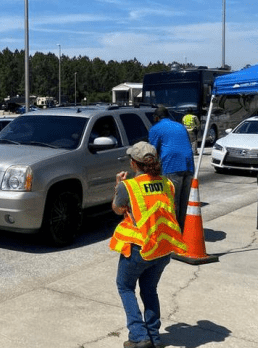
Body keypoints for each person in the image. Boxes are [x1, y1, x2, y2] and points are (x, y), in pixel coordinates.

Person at [111, 141, 187, 348]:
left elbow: (118, 209)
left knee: (125, 287)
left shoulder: (129, 186)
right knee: (150, 289)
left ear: (134, 164)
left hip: (139, 248)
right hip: (162, 248)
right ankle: (153, 335)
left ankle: (138, 335)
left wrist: (118, 185)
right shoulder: (168, 183)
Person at [148, 106, 195, 232]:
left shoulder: (156, 128)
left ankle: (173, 232)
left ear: (156, 118)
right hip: (189, 165)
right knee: (185, 201)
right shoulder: (180, 126)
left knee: (173, 202)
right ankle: (184, 230)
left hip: (172, 166)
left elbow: (152, 151)